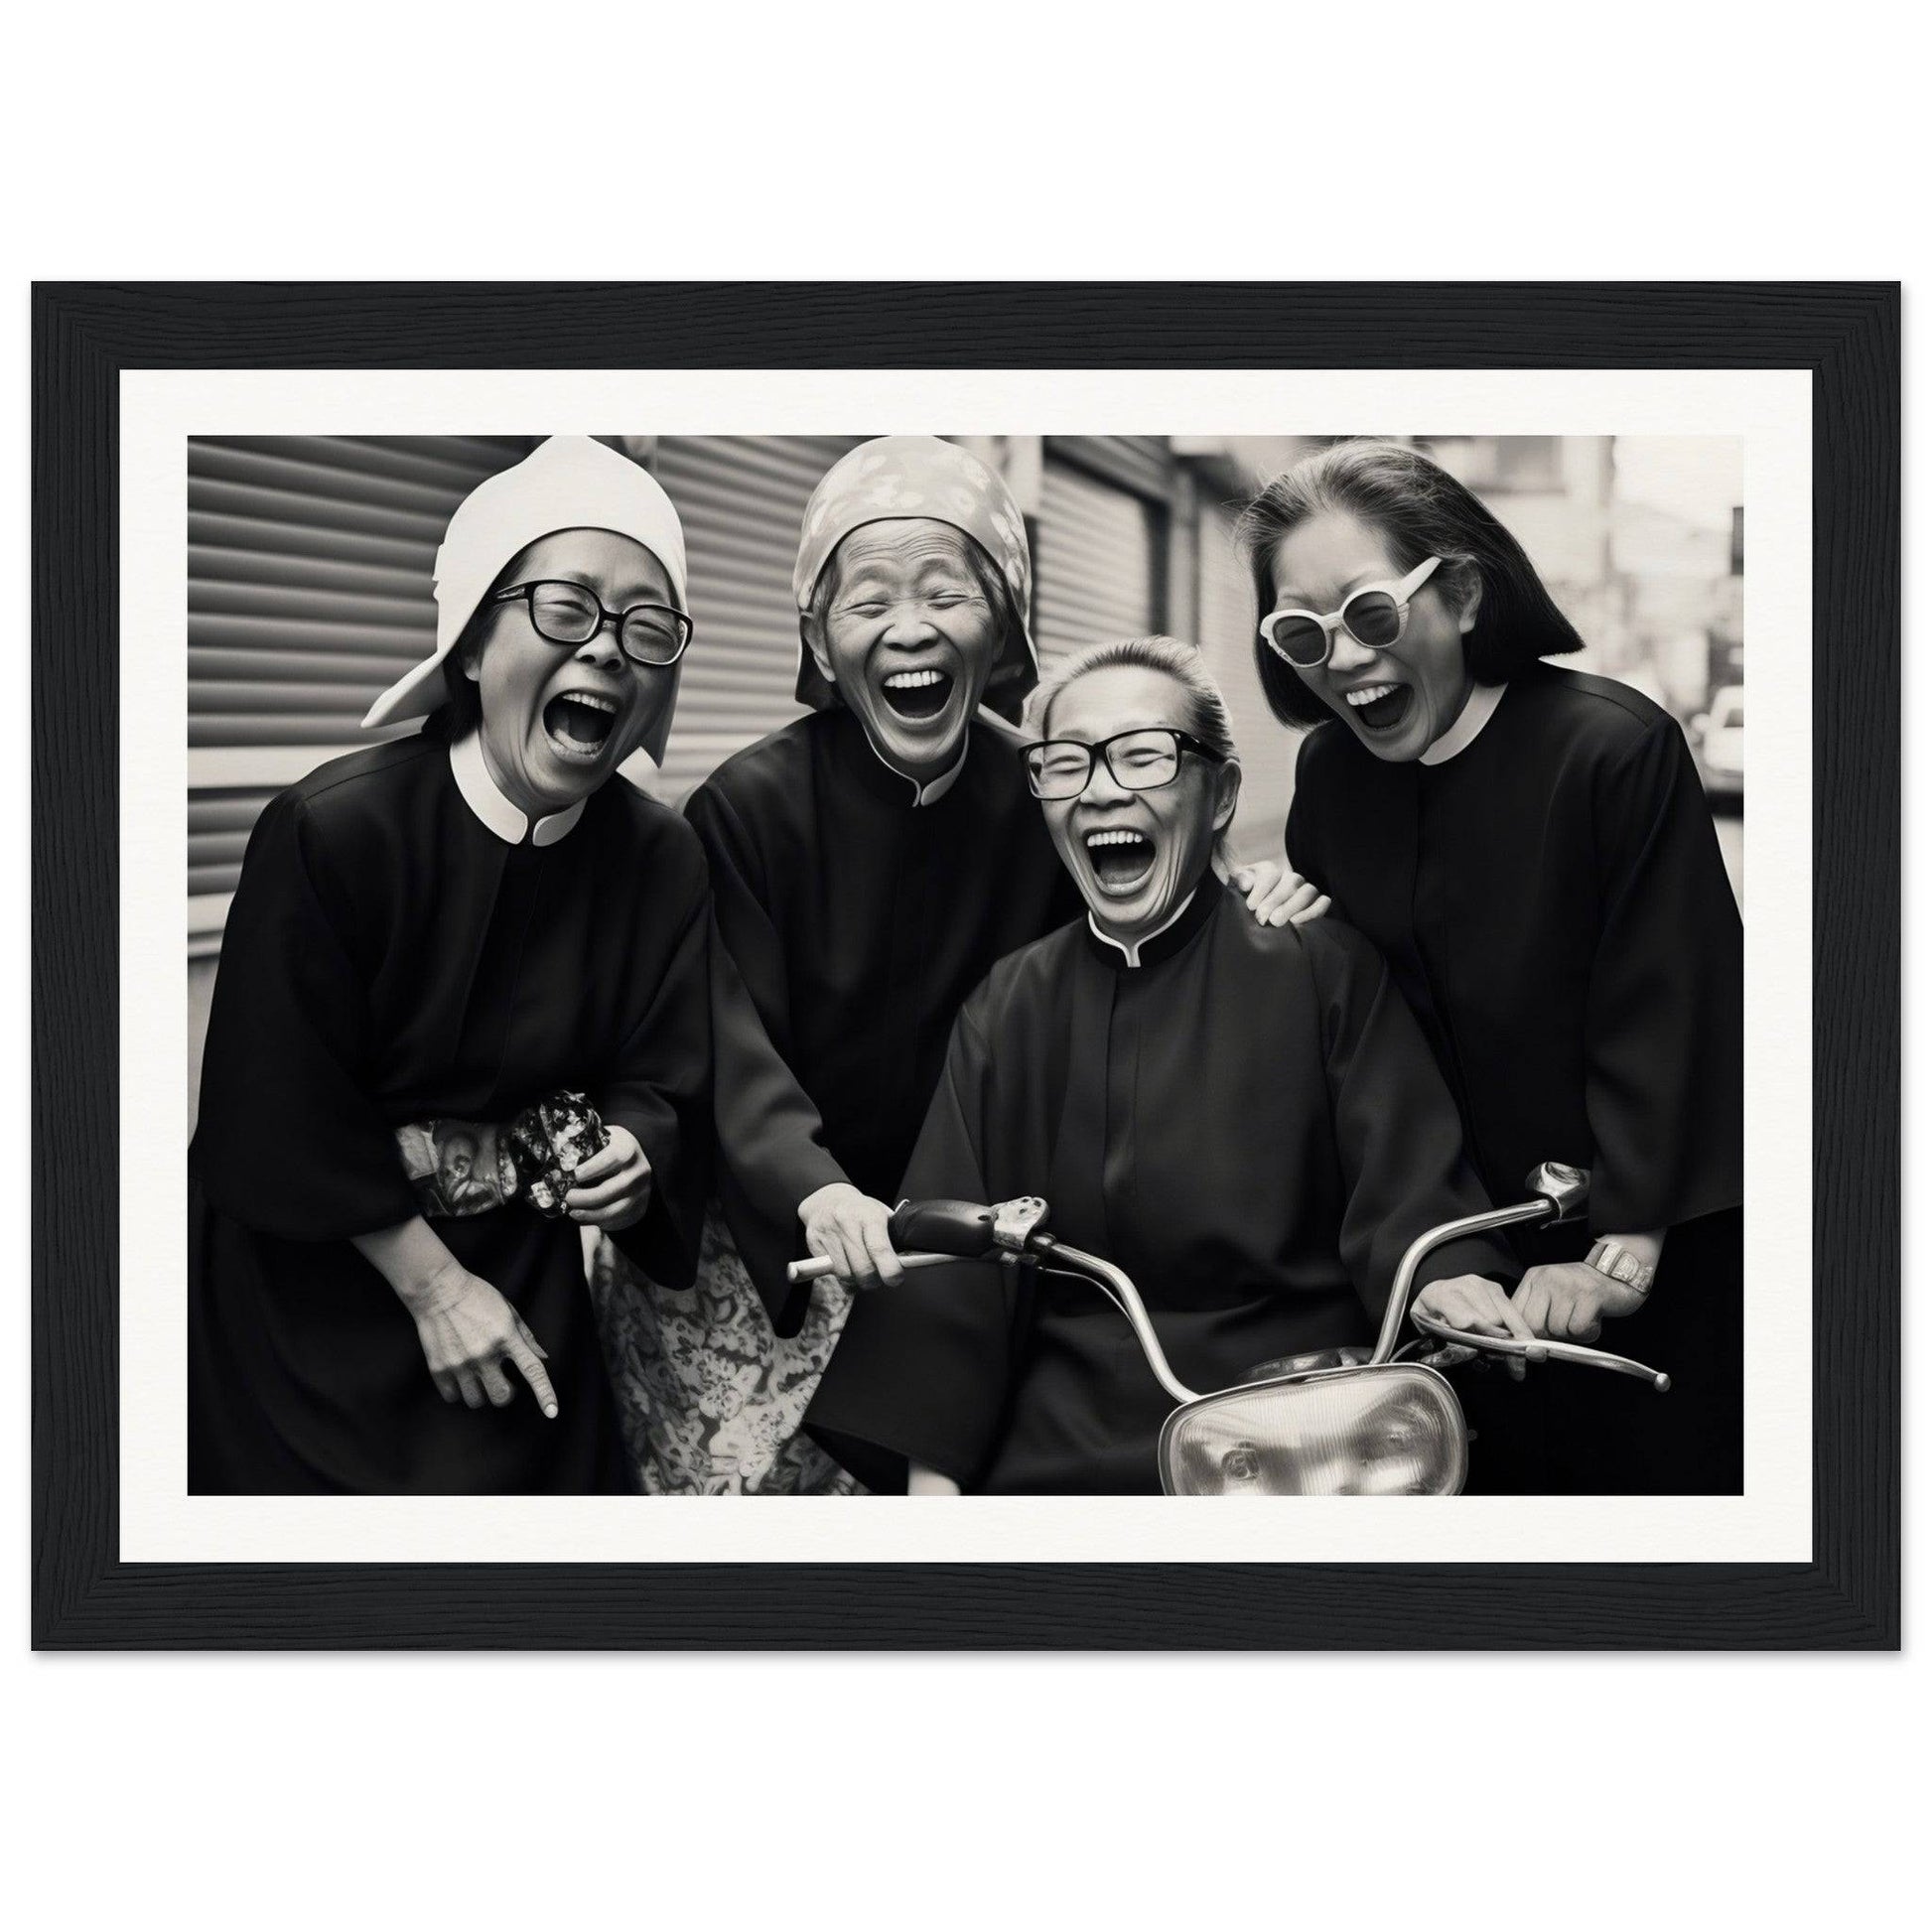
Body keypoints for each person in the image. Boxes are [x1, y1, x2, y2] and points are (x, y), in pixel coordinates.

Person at [594, 436, 1320, 1494]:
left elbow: (1144, 894)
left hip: (965, 1245)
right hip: (774, 1244)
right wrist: (816, 1189)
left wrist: (1249, 890)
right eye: (866, 600)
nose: (908, 628)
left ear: (1007, 622)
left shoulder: (1043, 788)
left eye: (947, 591)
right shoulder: (747, 808)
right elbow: (724, 1040)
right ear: (816, 634)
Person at [803, 637, 1519, 1495]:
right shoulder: (1011, 1004)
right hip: (1059, 1442)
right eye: (1066, 764)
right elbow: (950, 1264)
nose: (1102, 789)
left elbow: (1409, 1190)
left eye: (1144, 756)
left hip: (1296, 1427)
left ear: (1219, 794)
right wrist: (934, 1482)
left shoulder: (1319, 968)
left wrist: (1451, 1281)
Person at [190, 436, 711, 1494]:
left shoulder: (659, 857)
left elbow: (666, 1067)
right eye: (566, 608)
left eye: (644, 626)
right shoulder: (334, 829)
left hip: (518, 1280)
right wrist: (433, 1290)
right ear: (471, 646)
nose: (607, 649)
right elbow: (274, 1103)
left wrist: (633, 1146)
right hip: (318, 1293)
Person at [1238, 439, 1744, 1494]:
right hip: (1437, 1274)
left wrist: (1623, 1243)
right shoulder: (1328, 774)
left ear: (1460, 594)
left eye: (1369, 614)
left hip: (1631, 1273)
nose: (1339, 658)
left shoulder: (1611, 750)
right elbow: (1357, 1024)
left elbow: (1674, 1012)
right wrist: (1290, 921)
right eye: (1300, 632)